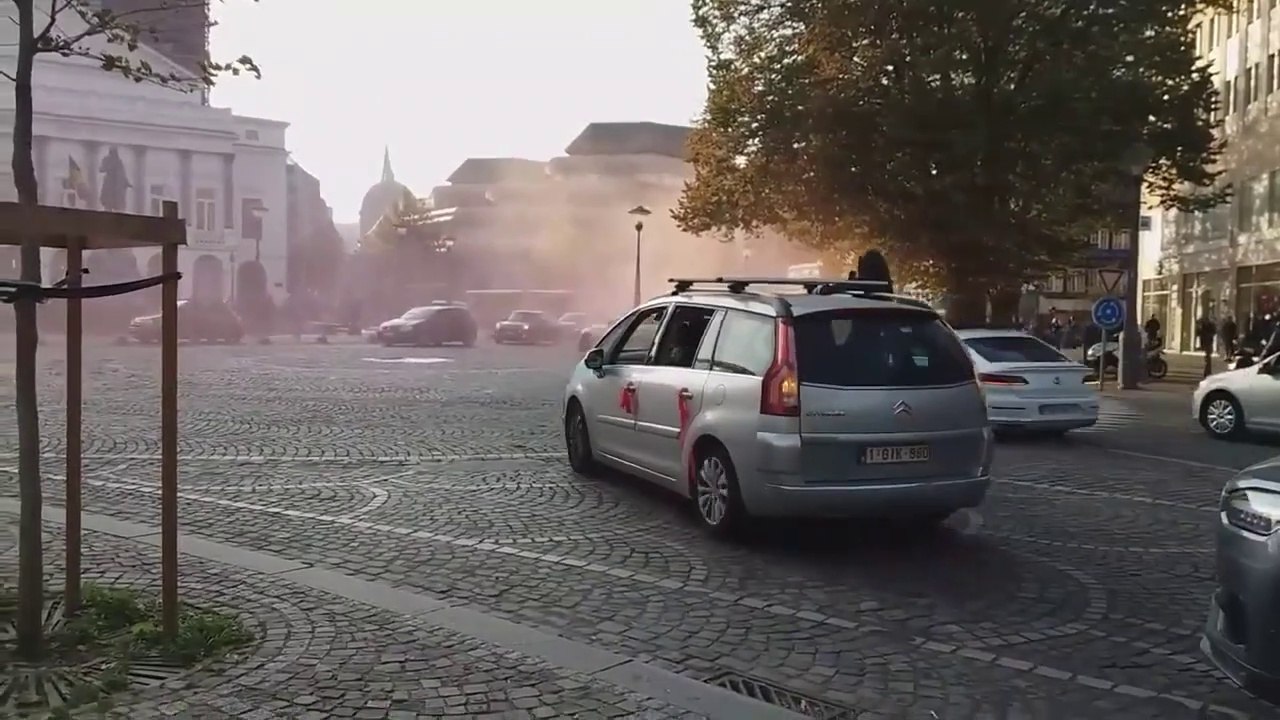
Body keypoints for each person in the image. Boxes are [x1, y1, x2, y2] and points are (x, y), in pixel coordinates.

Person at [1196, 313, 1218, 378]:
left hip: (1208, 342)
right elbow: (1198, 333)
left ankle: (1207, 371)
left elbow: (1214, 332)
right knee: (1208, 357)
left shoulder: (1210, 325)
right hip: (1205, 342)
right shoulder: (1203, 326)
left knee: (1208, 356)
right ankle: (1207, 370)